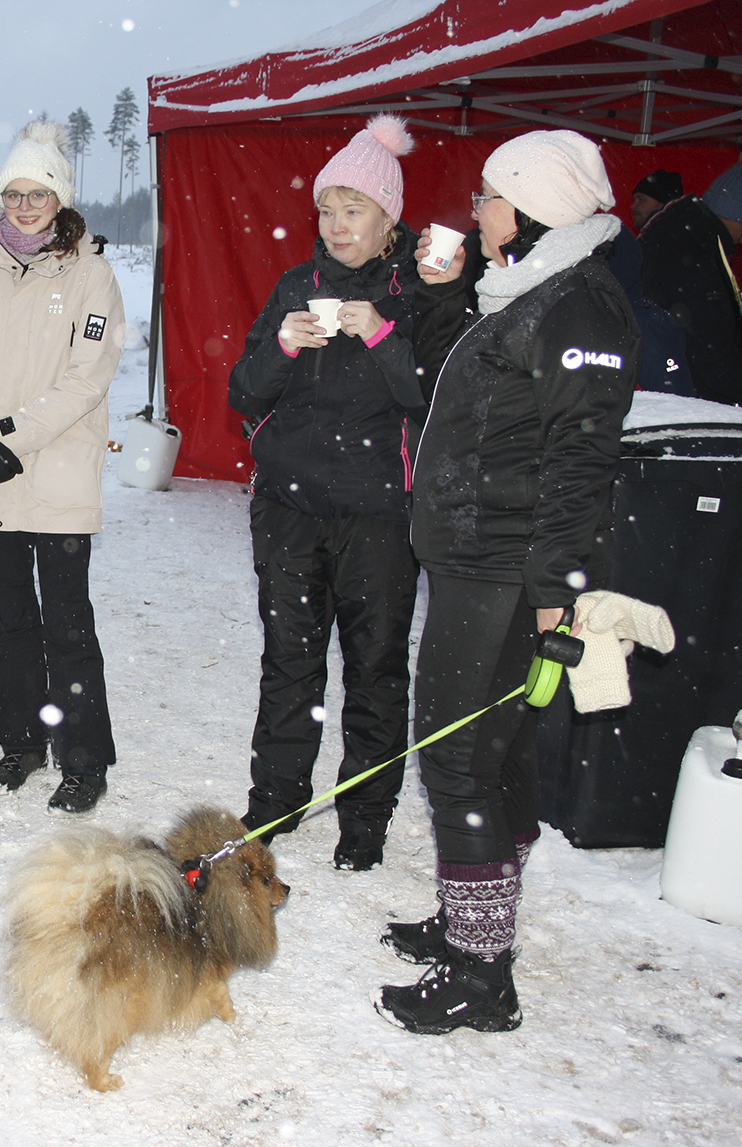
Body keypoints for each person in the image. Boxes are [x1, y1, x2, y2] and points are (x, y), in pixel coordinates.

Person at [382, 130, 639, 1034]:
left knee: (457, 760)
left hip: (504, 573)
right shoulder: (533, 293)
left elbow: (582, 463)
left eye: (492, 195)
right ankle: (470, 921)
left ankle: (481, 974)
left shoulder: (578, 311)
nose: (478, 209)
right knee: (499, 758)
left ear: (535, 209)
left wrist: (556, 590)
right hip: (476, 564)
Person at [227, 114, 433, 872]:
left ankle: (365, 817)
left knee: (376, 668)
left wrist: (382, 336)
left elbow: (431, 400)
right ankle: (275, 798)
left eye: (356, 211)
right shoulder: (295, 287)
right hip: (289, 509)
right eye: (327, 209)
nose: (338, 226)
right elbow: (243, 392)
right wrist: (281, 347)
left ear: (389, 220)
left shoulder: (418, 295)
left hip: (380, 517)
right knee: (290, 660)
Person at [0, 120, 125, 814]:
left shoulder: (91, 274)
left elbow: (87, 380)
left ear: (60, 198)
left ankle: (84, 758)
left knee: (67, 620)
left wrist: (7, 436)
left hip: (53, 471)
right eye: (13, 193)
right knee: (8, 616)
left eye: (37, 193)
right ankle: (20, 741)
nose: (24, 206)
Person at [637, 156, 742, 407]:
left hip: (663, 381)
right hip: (684, 393)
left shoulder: (678, 233)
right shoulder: (692, 253)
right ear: (733, 214)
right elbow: (709, 343)